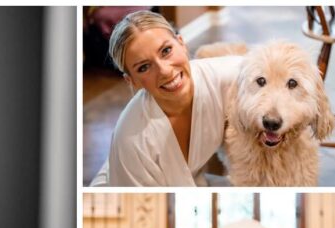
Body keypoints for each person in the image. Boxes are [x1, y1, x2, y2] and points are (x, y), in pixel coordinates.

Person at [92, 11, 242, 186]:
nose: (164, 70)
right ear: (132, 81)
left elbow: (268, 71)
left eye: (166, 50)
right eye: (144, 67)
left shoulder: (227, 77)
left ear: (181, 43)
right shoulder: (132, 140)